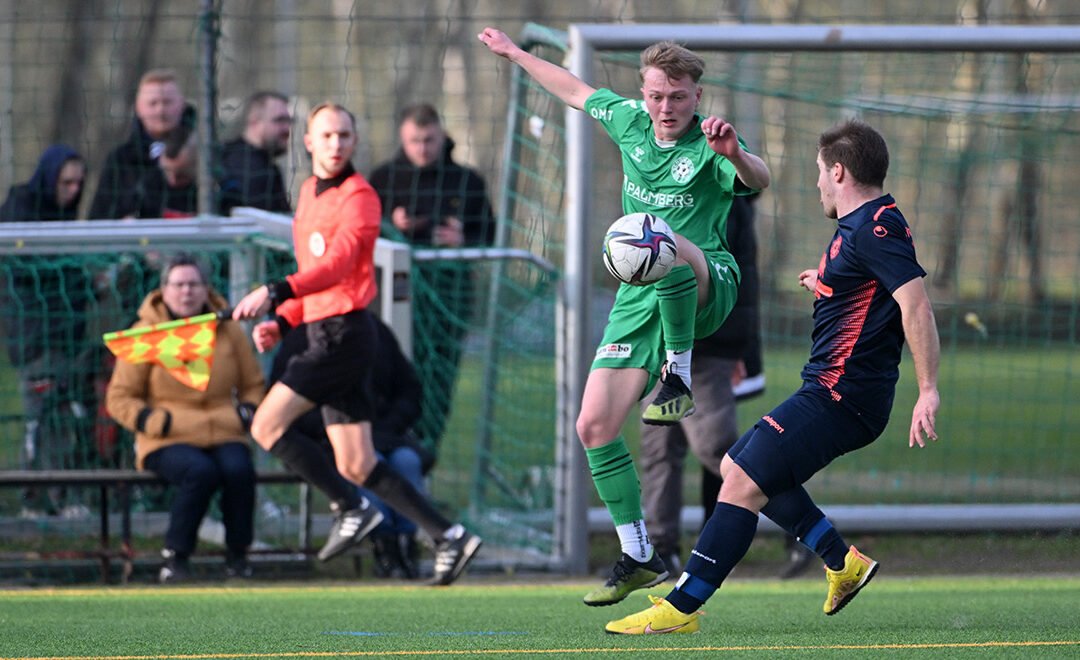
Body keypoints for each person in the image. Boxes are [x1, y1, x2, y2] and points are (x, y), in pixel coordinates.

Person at [605, 120, 941, 634]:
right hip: (831, 390)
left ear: (838, 170)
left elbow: (914, 304)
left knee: (739, 477)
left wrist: (928, 390)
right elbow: (868, 290)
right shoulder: (861, 227)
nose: (817, 185)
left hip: (842, 396)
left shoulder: (874, 228)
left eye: (818, 174)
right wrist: (826, 281)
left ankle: (682, 606)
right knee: (744, 465)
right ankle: (841, 560)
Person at [478, 28, 771, 606]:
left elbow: (759, 180)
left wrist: (735, 153)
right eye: (658, 95)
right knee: (594, 426)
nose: (666, 108)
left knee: (651, 237)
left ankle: (678, 372)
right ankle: (640, 553)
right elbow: (573, 89)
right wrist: (516, 55)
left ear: (696, 95)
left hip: (709, 279)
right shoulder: (630, 121)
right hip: (640, 300)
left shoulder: (712, 145)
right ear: (644, 91)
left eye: (679, 97)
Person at [231, 102, 481, 586]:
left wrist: (276, 291)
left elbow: (339, 268)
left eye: (344, 135)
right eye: (326, 136)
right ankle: (449, 536)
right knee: (357, 461)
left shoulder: (361, 196)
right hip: (323, 329)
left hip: (343, 337)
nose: (335, 144)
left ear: (354, 141)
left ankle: (349, 506)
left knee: (265, 425)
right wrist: (283, 322)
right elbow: (315, 278)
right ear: (309, 142)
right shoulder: (307, 192)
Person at [105, 254, 266, 583]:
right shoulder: (145, 333)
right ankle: (175, 556)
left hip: (224, 430)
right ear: (164, 290)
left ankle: (238, 557)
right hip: (168, 437)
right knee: (200, 472)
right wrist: (155, 422)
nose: (187, 292)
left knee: (239, 470)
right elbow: (119, 398)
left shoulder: (229, 329)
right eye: (178, 284)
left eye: (194, 284)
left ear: (207, 290)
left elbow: (253, 385)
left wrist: (246, 413)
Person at [367, 102, 495, 450]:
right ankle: (385, 457)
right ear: (402, 139)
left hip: (447, 299)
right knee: (389, 374)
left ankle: (425, 457)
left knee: (438, 379)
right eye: (414, 141)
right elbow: (362, 231)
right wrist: (393, 226)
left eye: (429, 140)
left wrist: (463, 240)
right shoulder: (383, 178)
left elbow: (490, 234)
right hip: (390, 297)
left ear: (442, 136)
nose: (422, 148)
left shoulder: (466, 181)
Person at [269, 314, 434, 580]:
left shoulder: (372, 331)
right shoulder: (301, 339)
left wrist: (387, 426)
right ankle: (384, 547)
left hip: (385, 433)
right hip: (333, 437)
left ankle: (407, 542)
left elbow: (409, 390)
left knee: (407, 460)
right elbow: (287, 405)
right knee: (366, 461)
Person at [1, 144, 96, 516]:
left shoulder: (65, 216)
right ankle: (41, 501)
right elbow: (29, 272)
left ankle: (61, 498)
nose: (73, 190)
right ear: (49, 177)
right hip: (37, 339)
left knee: (69, 415)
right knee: (44, 419)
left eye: (79, 183)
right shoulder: (20, 208)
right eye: (66, 181)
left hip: (68, 336)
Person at [89, 69, 195, 219]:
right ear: (139, 108)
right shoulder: (120, 160)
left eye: (167, 102)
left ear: (182, 104)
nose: (161, 110)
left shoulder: (208, 154)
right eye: (153, 103)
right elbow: (98, 219)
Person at [219, 91, 293, 215]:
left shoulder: (229, 154)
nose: (287, 128)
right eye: (279, 120)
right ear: (254, 122)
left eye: (289, 121)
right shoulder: (252, 169)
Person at [129, 124, 199, 218]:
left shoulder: (216, 190)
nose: (173, 180)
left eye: (181, 174)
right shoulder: (147, 188)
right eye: (167, 171)